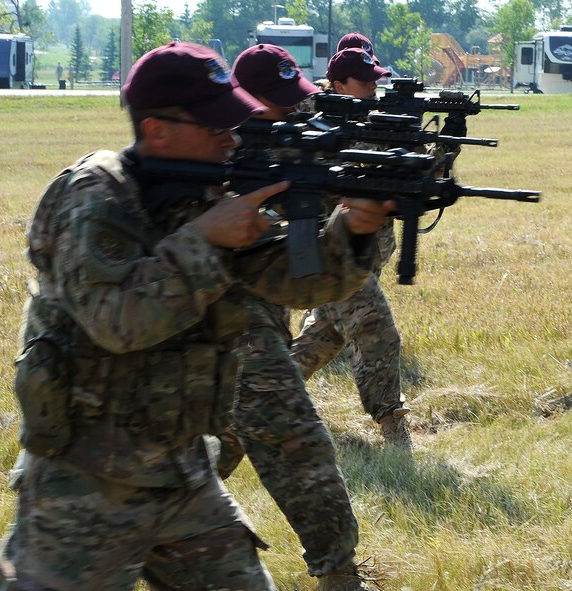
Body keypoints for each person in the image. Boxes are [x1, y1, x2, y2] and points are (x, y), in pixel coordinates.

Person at [0, 41, 393, 591]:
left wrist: (353, 230)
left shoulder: (207, 192)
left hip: (181, 470)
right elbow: (117, 321)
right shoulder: (94, 196)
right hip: (86, 479)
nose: (231, 138)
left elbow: (299, 283)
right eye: (215, 127)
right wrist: (205, 239)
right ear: (158, 131)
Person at [208, 43, 371, 591]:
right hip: (228, 327)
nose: (287, 112)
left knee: (220, 443)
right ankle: (339, 573)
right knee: (297, 443)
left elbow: (304, 272)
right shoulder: (210, 160)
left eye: (291, 99)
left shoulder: (288, 138)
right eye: (274, 103)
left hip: (258, 318)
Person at [290, 46, 414, 452]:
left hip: (359, 253)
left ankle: (258, 398)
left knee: (323, 338)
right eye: (365, 83)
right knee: (376, 331)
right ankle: (393, 426)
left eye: (377, 81)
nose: (374, 90)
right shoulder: (313, 122)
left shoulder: (366, 118)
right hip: (331, 253)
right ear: (338, 84)